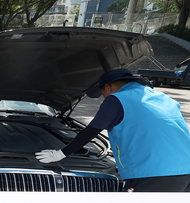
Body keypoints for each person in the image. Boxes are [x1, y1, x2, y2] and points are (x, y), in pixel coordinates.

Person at [35, 68, 190, 192]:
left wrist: (61, 153)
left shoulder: (117, 99)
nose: (103, 97)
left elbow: (91, 131)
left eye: (102, 93)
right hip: (186, 171)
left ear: (108, 87)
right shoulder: (163, 98)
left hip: (154, 173)